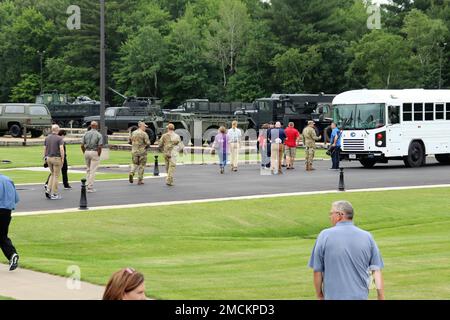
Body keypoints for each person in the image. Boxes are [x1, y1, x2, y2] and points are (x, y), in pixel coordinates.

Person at [308, 201, 385, 300]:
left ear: (340, 215)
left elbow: (317, 271)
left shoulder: (324, 235)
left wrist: (319, 295)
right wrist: (381, 296)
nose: (330, 217)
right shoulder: (367, 237)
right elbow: (376, 271)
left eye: (331, 213)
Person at [0, 174, 20, 271]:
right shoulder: (8, 180)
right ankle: (12, 254)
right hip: (7, 212)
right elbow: (16, 199)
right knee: (2, 236)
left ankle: (12, 255)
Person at [81, 121, 103, 193]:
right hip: (94, 151)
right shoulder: (98, 134)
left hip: (87, 151)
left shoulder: (86, 133)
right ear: (97, 126)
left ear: (90, 126)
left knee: (88, 169)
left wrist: (84, 152)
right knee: (92, 171)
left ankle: (86, 184)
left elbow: (82, 145)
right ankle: (90, 187)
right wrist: (98, 154)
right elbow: (100, 146)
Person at [44, 124, 65, 200]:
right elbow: (61, 149)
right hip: (56, 158)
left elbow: (45, 148)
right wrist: (63, 159)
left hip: (49, 157)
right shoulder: (59, 138)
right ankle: (54, 193)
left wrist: (45, 157)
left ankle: (48, 189)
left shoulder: (47, 138)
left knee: (52, 174)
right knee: (56, 176)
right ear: (57, 130)